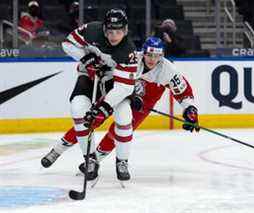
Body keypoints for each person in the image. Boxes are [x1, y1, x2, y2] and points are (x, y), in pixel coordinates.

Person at [41, 36, 199, 180]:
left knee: (120, 130)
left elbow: (184, 93)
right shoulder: (131, 59)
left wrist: (190, 110)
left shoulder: (168, 70)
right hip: (121, 92)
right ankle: (57, 150)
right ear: (142, 53)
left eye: (157, 56)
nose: (152, 59)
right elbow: (110, 73)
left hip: (144, 104)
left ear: (162, 56)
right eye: (149, 55)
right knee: (92, 120)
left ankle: (95, 160)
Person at [41, 8, 137, 181]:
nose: (114, 36)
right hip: (88, 76)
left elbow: (124, 87)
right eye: (110, 31)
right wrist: (85, 58)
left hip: (113, 81)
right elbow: (67, 44)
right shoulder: (91, 30)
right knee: (78, 109)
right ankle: (90, 158)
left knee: (124, 115)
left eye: (118, 32)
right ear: (104, 29)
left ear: (125, 30)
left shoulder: (128, 51)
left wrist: (103, 107)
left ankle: (122, 161)